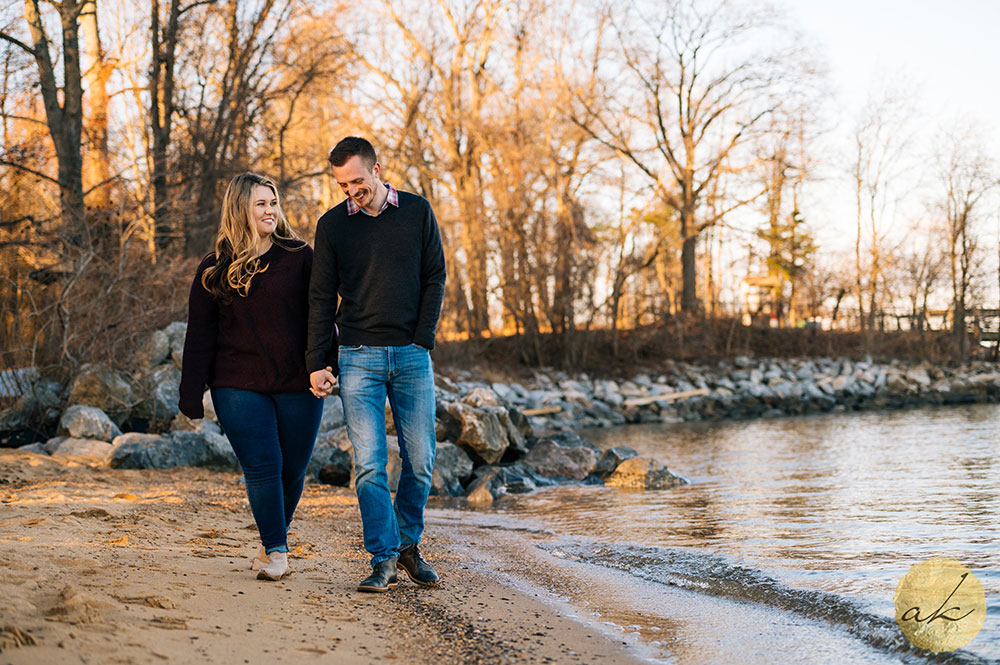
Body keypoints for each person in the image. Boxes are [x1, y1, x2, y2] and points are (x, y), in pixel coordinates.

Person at [307, 136, 446, 593]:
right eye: (343, 184)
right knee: (369, 464)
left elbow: (435, 276)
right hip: (358, 357)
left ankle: (408, 545)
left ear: (377, 169)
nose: (351, 191)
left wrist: (422, 339)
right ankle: (383, 557)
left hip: (411, 356)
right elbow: (322, 298)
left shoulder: (418, 212)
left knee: (421, 461)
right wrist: (317, 361)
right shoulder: (332, 226)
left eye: (358, 181)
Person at [179, 172, 324, 582]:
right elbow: (200, 334)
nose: (270, 211)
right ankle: (278, 552)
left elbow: (321, 316)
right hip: (237, 385)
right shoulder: (215, 267)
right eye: (261, 204)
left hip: (298, 382)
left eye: (273, 203)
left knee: (293, 470)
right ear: (240, 208)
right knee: (264, 465)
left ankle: (268, 542)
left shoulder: (300, 256)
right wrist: (191, 397)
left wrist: (326, 364)